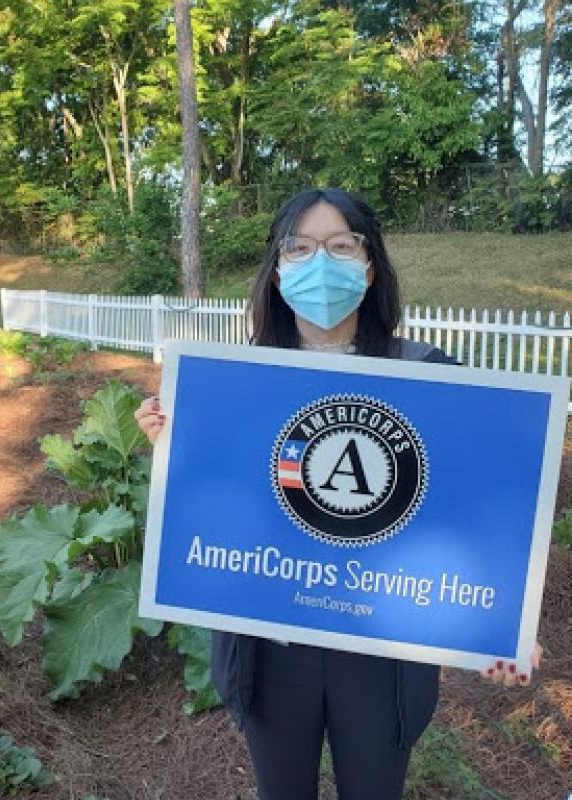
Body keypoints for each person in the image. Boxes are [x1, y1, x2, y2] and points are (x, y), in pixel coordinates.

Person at [135, 187, 542, 800]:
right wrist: (173, 445)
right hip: (271, 650)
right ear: (276, 269)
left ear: (370, 263)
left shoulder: (429, 375)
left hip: (382, 650)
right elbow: (220, 503)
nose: (319, 264)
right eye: (299, 249)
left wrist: (504, 625)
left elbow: (475, 509)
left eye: (340, 246)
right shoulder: (234, 381)